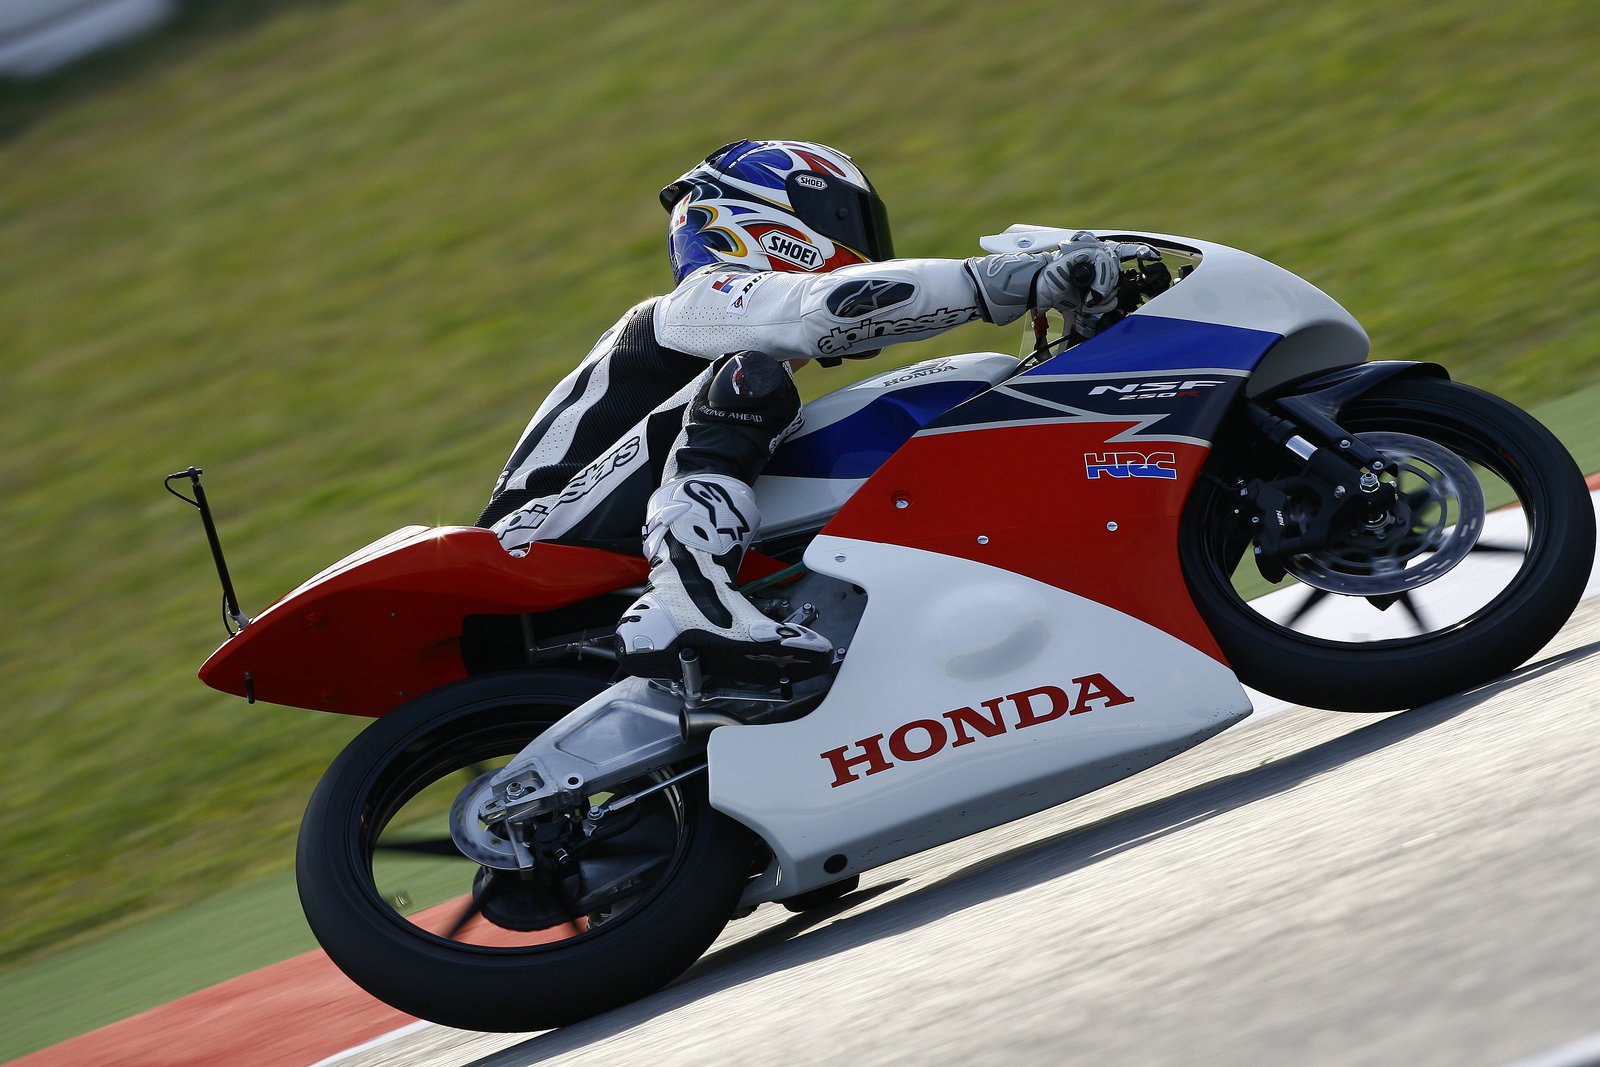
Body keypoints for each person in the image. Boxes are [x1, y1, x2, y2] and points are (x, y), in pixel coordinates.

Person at [475, 138, 1124, 684]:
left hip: (582, 543)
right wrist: (1003, 280)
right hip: (530, 544)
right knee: (753, 379)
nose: (864, 247)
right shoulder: (696, 304)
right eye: (844, 218)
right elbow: (824, 306)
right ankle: (684, 601)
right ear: (772, 215)